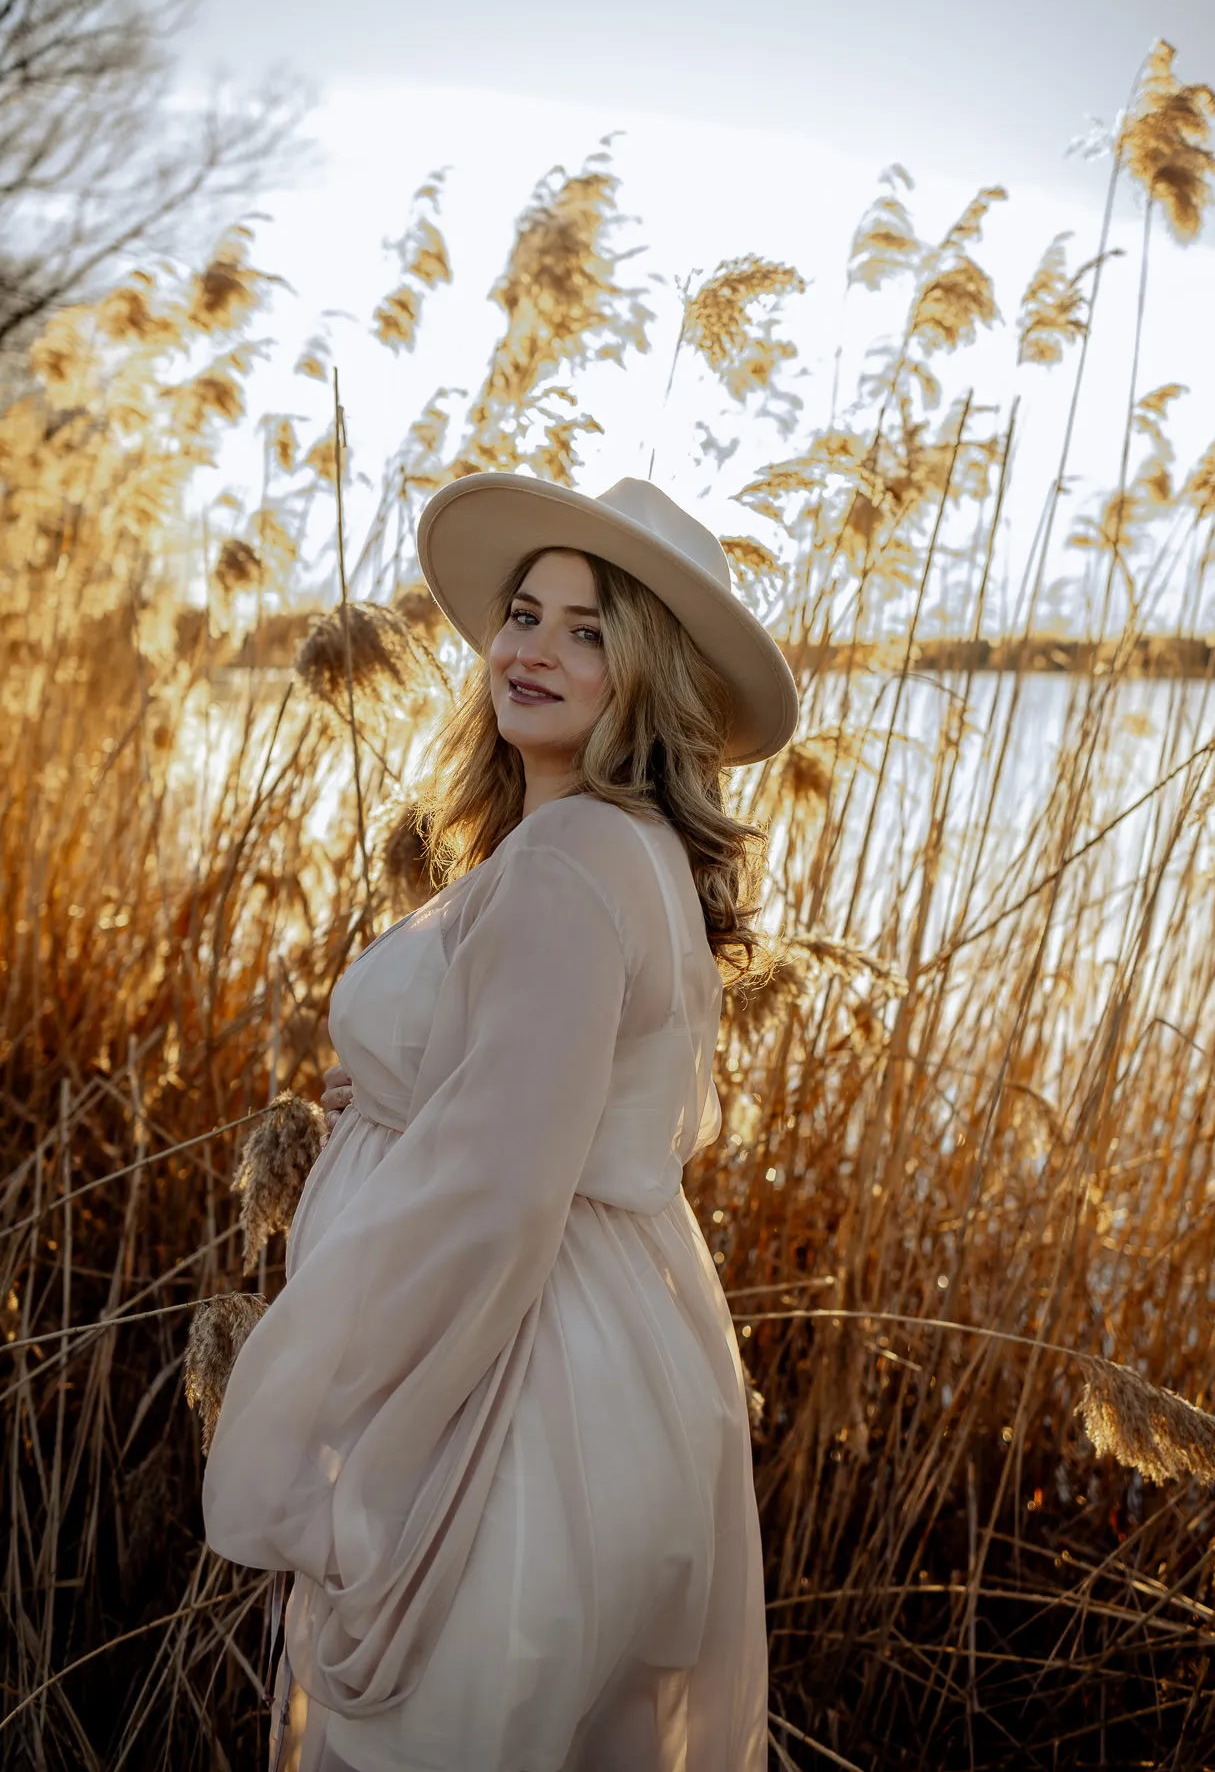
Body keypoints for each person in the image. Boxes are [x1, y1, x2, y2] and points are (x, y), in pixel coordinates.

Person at [201, 471, 799, 1772]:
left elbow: (500, 1194)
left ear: (646, 674)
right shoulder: (619, 847)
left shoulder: (572, 862)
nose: (533, 647)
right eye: (526, 612)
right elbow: (536, 1105)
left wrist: (327, 1446)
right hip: (607, 1362)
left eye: (590, 629)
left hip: (517, 1391)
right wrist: (411, 1094)